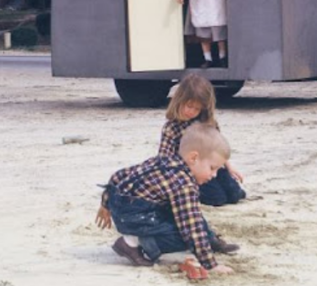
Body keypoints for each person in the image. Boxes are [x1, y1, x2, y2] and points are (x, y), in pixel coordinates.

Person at [95, 122, 239, 272]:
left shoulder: (166, 159)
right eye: (212, 168)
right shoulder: (184, 184)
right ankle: (132, 243)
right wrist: (210, 265)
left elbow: (119, 175)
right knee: (184, 236)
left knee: (191, 214)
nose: (214, 175)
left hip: (121, 202)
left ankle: (209, 240)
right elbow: (190, 227)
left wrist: (106, 204)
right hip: (136, 216)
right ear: (194, 158)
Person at [160, 73, 246, 207]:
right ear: (179, 100)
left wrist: (229, 167)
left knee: (235, 194)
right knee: (217, 199)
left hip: (213, 168)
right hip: (190, 173)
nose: (192, 111)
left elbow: (218, 149)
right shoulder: (172, 127)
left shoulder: (207, 123)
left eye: (197, 109)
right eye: (189, 106)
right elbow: (164, 158)